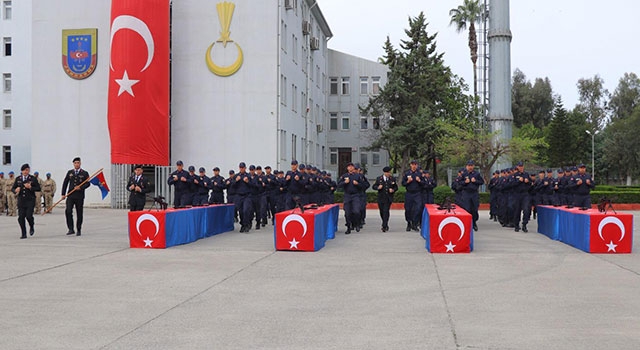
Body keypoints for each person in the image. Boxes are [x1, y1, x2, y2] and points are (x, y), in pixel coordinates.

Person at [61, 157, 90, 236]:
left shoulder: (84, 173)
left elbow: (88, 183)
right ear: (73, 164)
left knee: (79, 213)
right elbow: (65, 183)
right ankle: (71, 228)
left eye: (78, 163)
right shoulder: (70, 172)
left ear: (80, 164)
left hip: (79, 196)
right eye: (75, 163)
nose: (76, 164)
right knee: (68, 211)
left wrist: (80, 187)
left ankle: (79, 229)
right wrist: (63, 194)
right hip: (70, 195)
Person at [12, 164, 41, 239]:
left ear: (29, 170)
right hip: (21, 200)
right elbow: (13, 188)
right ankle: (23, 233)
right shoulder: (18, 178)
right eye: (24, 170)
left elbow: (38, 188)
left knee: (28, 216)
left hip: (30, 200)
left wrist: (31, 187)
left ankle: (31, 225)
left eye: (27, 170)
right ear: (21, 171)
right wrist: (15, 190)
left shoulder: (32, 178)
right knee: (21, 217)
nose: (25, 171)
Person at [337, 162, 367, 234]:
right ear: (347, 168)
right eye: (349, 167)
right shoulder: (344, 176)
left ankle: (356, 223)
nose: (350, 168)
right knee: (347, 213)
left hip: (355, 195)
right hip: (347, 195)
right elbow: (338, 185)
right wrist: (345, 182)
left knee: (356, 211)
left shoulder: (357, 176)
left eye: (352, 166)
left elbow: (364, 186)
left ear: (353, 168)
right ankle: (348, 227)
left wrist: (357, 184)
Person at [459, 160, 484, 231]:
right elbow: (459, 183)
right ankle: (468, 224)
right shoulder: (464, 174)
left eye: (471, 165)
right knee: (467, 209)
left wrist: (475, 181)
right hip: (466, 193)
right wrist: (465, 182)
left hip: (474, 193)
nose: (470, 167)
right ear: (467, 166)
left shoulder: (476, 174)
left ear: (473, 166)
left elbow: (482, 182)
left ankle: (474, 222)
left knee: (474, 209)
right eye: (469, 165)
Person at [373, 166, 398, 232]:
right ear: (384, 173)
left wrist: (392, 190)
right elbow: (374, 186)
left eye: (389, 172)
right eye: (387, 172)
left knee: (386, 211)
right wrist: (378, 187)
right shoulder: (379, 178)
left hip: (388, 198)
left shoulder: (392, 179)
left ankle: (384, 225)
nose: (388, 173)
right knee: (382, 211)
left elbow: (396, 187)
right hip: (381, 198)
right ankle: (385, 223)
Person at [509, 161, 532, 233]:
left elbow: (531, 184)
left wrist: (528, 181)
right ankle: (516, 225)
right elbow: (511, 185)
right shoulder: (515, 175)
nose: (521, 168)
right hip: (517, 194)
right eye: (520, 166)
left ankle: (524, 224)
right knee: (517, 210)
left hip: (525, 194)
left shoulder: (526, 174)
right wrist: (518, 181)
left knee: (526, 209)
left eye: (522, 166)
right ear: (518, 167)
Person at [402, 160, 423, 232]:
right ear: (410, 165)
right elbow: (403, 183)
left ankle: (415, 223)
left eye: (415, 164)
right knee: (408, 209)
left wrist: (419, 181)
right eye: (413, 164)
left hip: (417, 193)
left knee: (418, 208)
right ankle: (409, 223)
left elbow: (424, 184)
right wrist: (408, 181)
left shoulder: (419, 174)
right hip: (409, 193)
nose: (414, 166)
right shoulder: (407, 173)